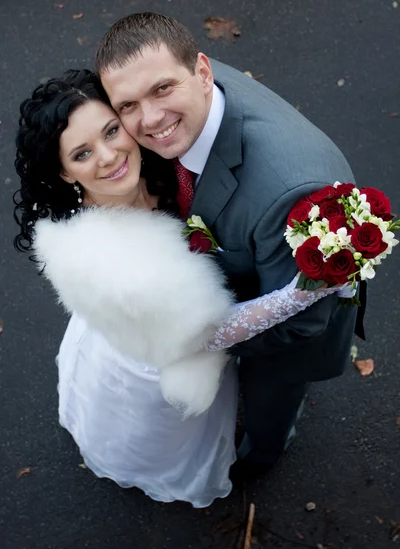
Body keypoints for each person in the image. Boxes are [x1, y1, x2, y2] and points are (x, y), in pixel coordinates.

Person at [14, 70, 349, 506]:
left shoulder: (153, 160)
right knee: (151, 432)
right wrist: (301, 292)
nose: (109, 155)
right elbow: (202, 334)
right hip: (153, 355)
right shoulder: (100, 261)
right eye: (81, 154)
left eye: (111, 130)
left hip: (144, 324)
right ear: (63, 173)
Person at [95, 12, 360, 474]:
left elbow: (303, 320)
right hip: (242, 267)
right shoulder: (176, 87)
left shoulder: (289, 191)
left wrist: (204, 344)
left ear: (202, 72)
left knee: (267, 405)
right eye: (127, 106)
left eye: (161, 90)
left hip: (287, 337)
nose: (151, 120)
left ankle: (262, 456)